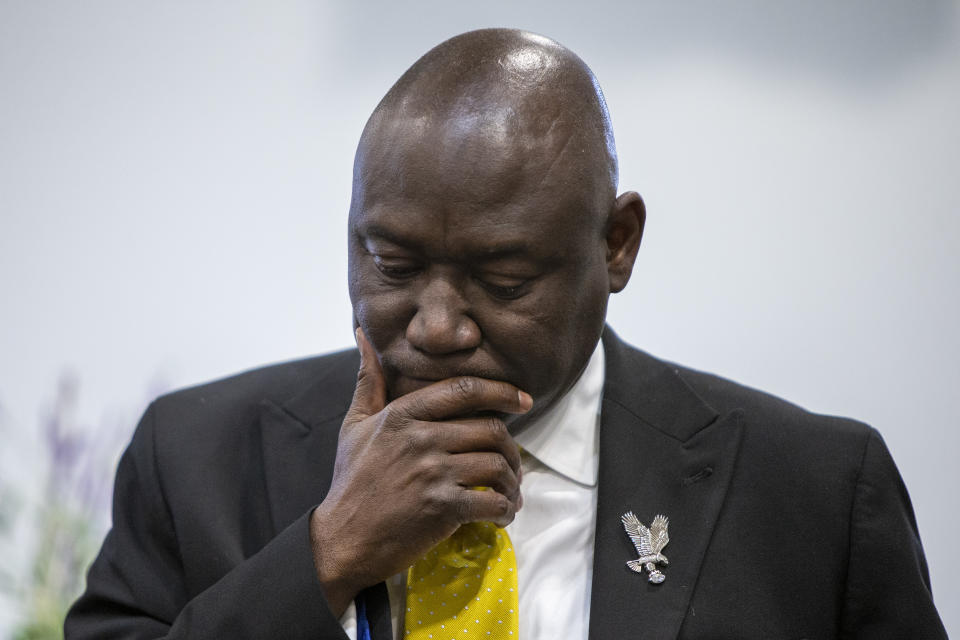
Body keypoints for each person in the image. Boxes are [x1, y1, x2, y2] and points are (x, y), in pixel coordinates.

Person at [65, 28, 946, 639]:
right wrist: (325, 556)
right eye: (394, 266)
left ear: (616, 245)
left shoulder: (815, 496)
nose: (438, 327)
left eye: (504, 279)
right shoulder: (193, 460)